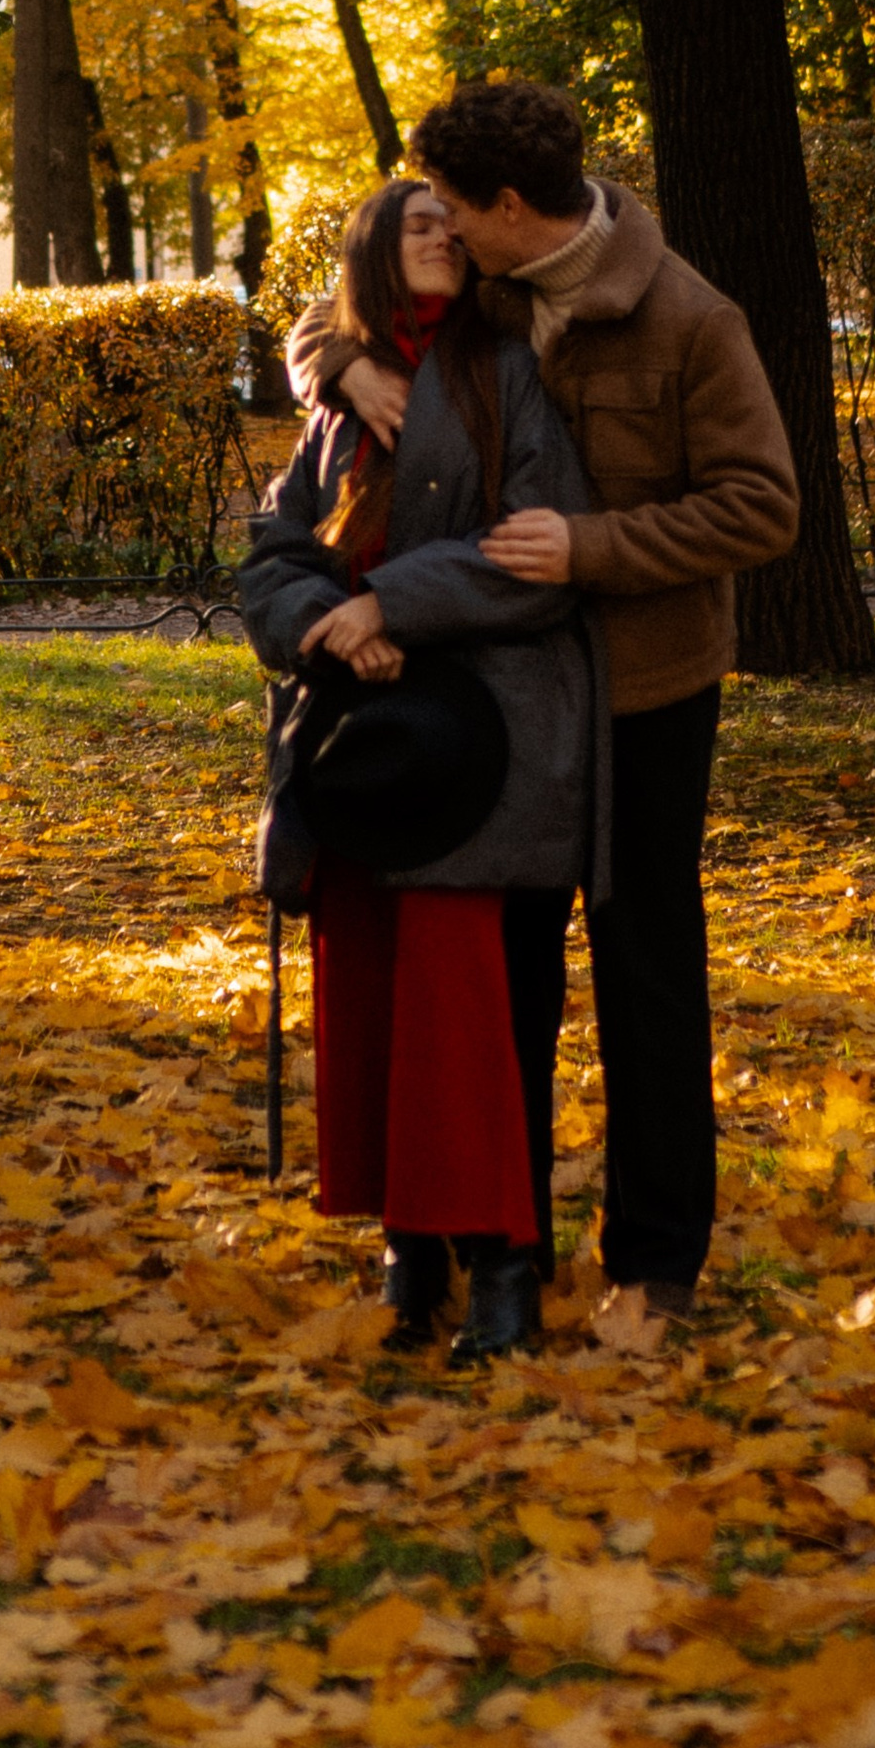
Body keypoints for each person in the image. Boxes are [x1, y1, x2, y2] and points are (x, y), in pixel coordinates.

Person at [288, 79, 799, 1331]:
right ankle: (501, 1253)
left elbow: (761, 506)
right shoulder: (491, 283)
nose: (444, 229)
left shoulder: (690, 319)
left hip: (644, 694)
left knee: (647, 976)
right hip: (500, 694)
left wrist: (590, 547)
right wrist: (344, 367)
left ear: (511, 207)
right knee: (503, 975)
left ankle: (655, 1271)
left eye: (456, 209)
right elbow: (329, 308)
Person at [243, 176, 602, 1360]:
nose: (442, 235)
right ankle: (410, 1253)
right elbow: (275, 550)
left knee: (457, 1018)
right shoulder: (342, 402)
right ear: (374, 251)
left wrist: (389, 603)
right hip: (359, 749)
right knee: (371, 1006)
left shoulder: (508, 370)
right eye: (417, 226)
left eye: (453, 223)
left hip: (477, 749)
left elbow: (533, 548)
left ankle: (500, 1266)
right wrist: (324, 621)